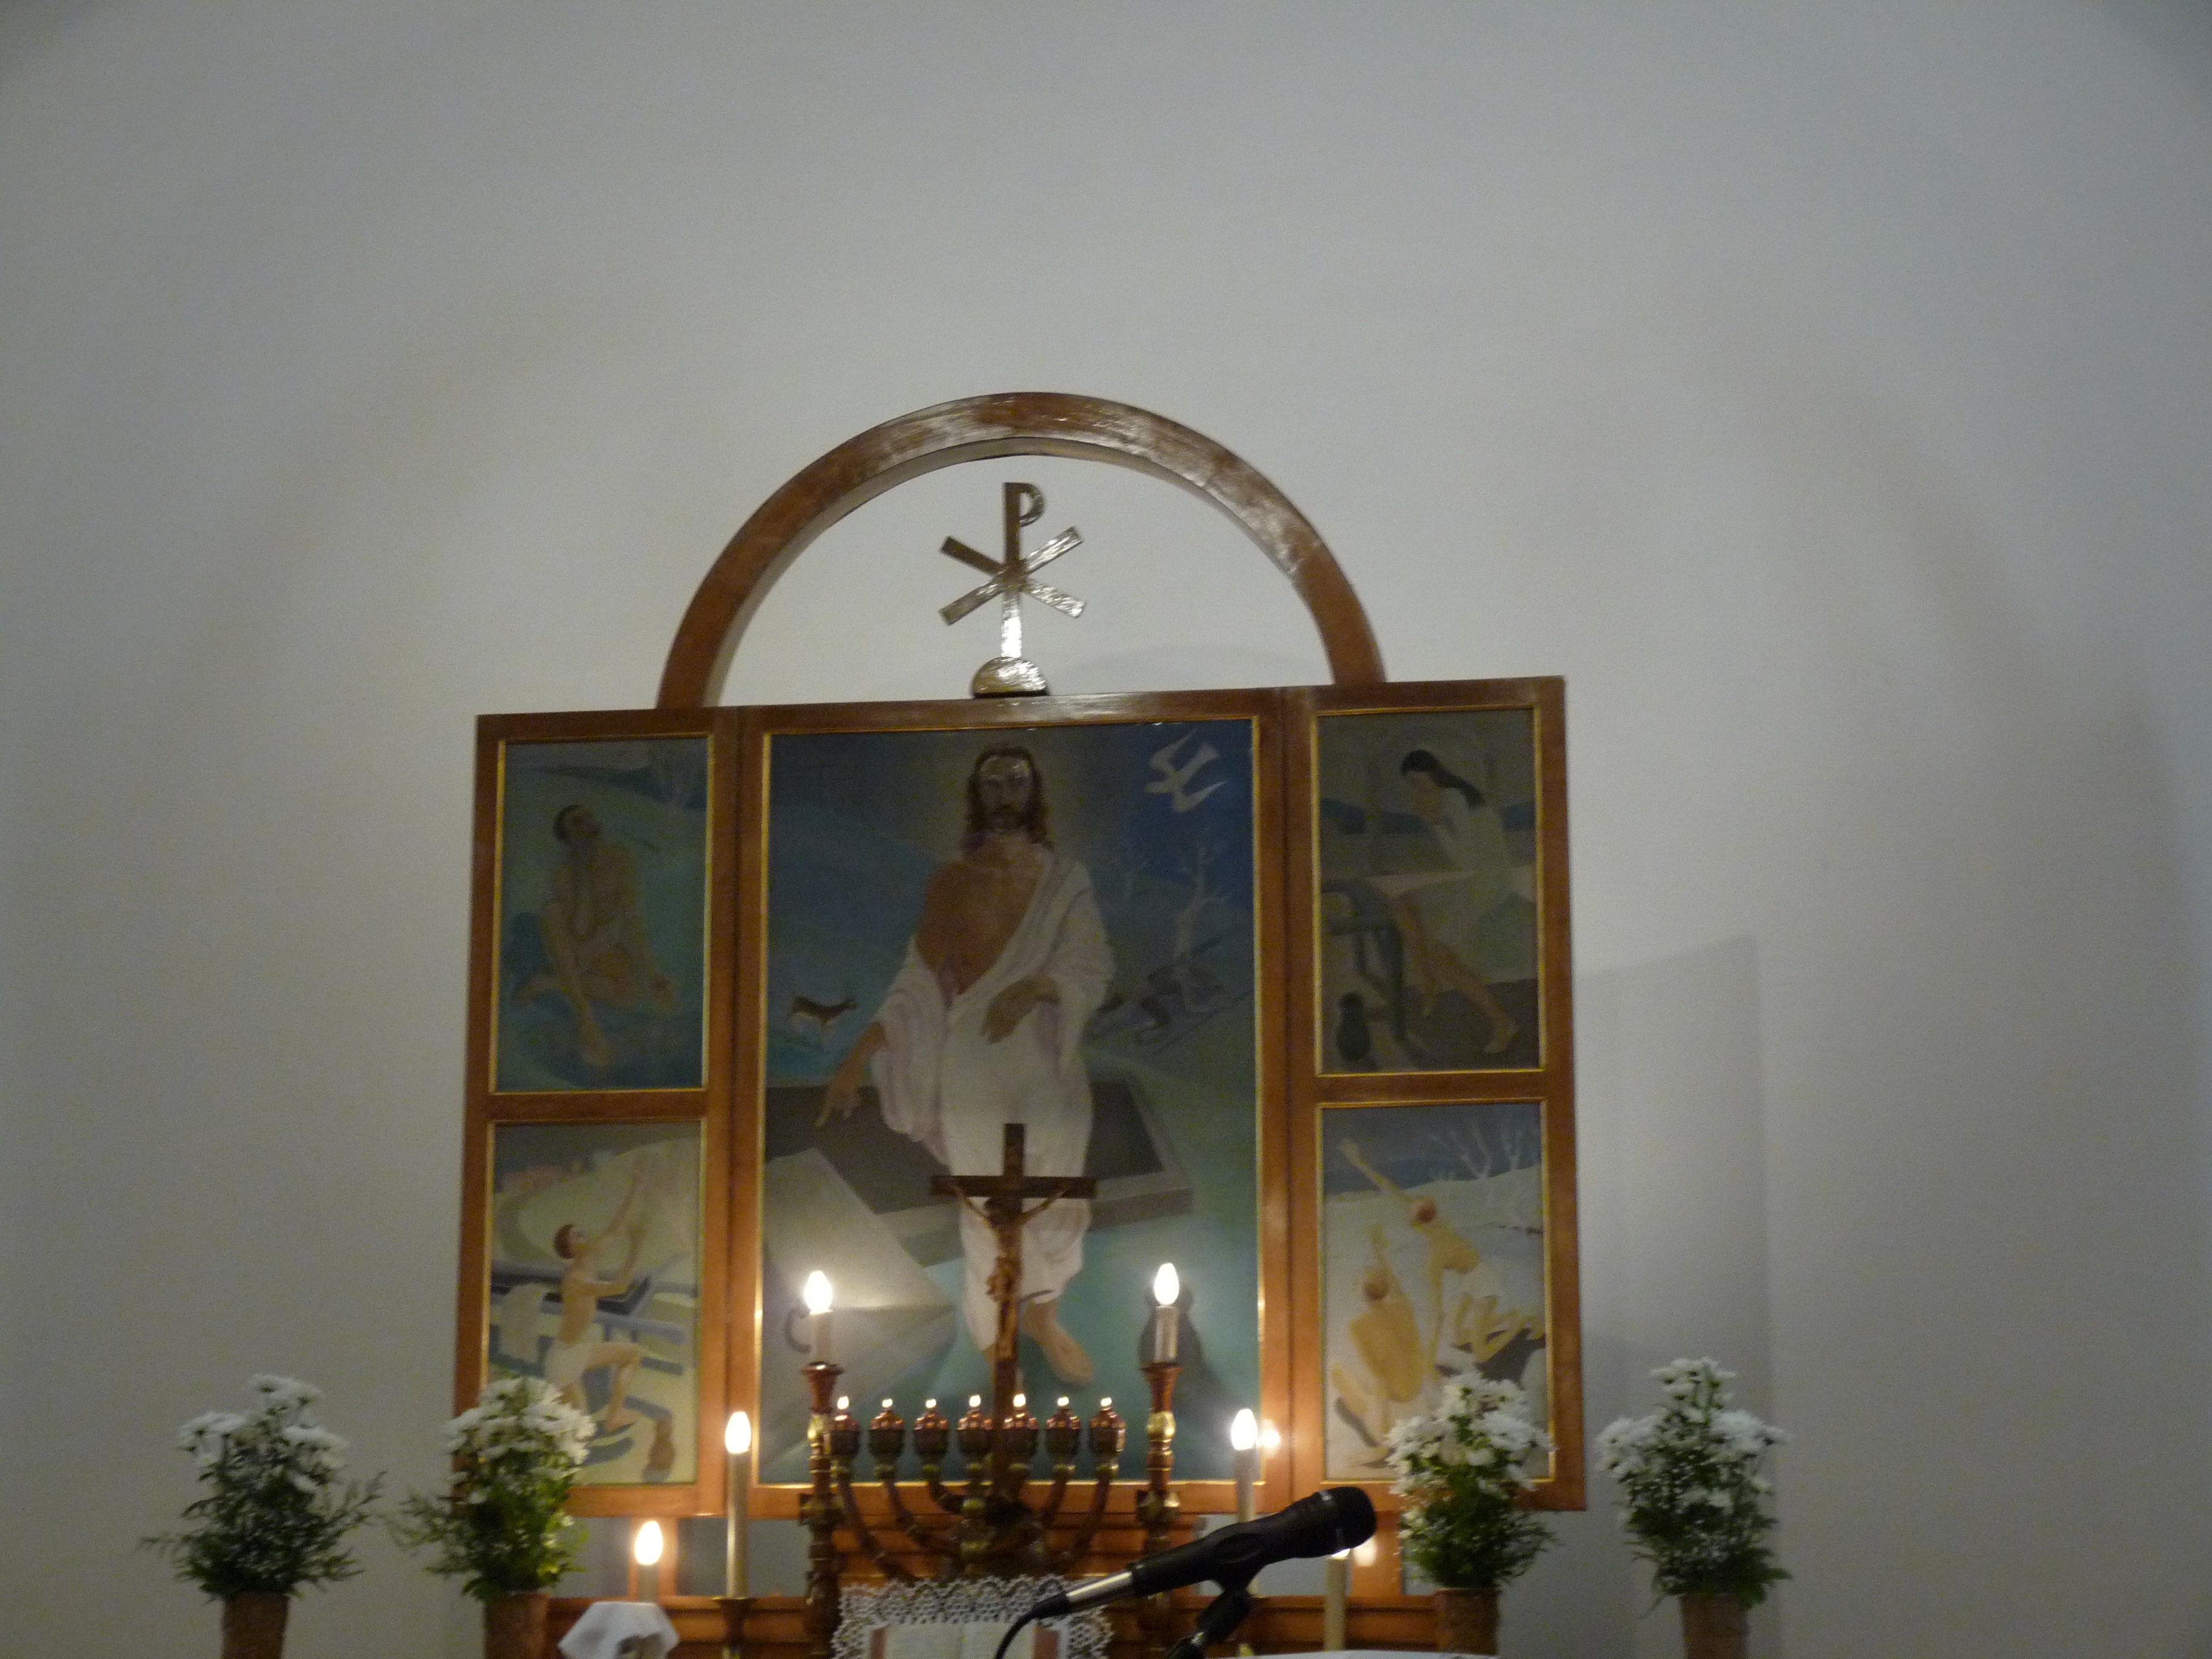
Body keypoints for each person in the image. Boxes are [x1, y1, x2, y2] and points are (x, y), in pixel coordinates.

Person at [820, 746, 1114, 1385]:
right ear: (976, 795)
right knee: (986, 1205)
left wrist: (1034, 987)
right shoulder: (952, 881)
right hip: (973, 1062)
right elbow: (917, 983)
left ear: (1034, 793)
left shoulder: (1066, 880)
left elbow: (1091, 965)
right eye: (993, 783)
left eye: (1017, 782)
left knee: (1059, 1197)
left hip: (1047, 1056)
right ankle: (994, 1336)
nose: (1005, 793)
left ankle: (1043, 1318)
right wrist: (857, 1057)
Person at [1371, 749, 1518, 1056]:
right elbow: (1468, 860)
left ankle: (1502, 1022)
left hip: (1489, 885)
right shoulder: (1453, 796)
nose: (1415, 790)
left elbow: (1467, 860)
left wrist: (1435, 823)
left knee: (1441, 957)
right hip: (1480, 879)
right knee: (1402, 903)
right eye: (1410, 785)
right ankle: (1429, 985)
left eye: (1418, 782)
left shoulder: (1452, 798)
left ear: (1433, 773)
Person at [516, 803, 675, 1070]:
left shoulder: (620, 858)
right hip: (571, 950)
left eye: (588, 817)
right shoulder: (566, 872)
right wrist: (583, 871)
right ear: (569, 839)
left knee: (628, 995)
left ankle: (552, 983)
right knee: (552, 910)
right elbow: (580, 928)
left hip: (603, 945)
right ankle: (587, 1023)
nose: (587, 824)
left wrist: (651, 973)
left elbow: (631, 918)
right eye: (577, 823)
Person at [545, 1168, 649, 1436]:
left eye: (582, 1232)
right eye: (577, 1235)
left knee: (633, 1354)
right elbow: (620, 1287)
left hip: (578, 1351)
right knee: (581, 1431)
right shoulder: (574, 1280)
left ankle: (614, 1416)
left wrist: (637, 1184)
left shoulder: (590, 1258)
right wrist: (637, 1248)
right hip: (564, 1359)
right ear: (569, 1249)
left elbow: (617, 1227)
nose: (584, 1235)